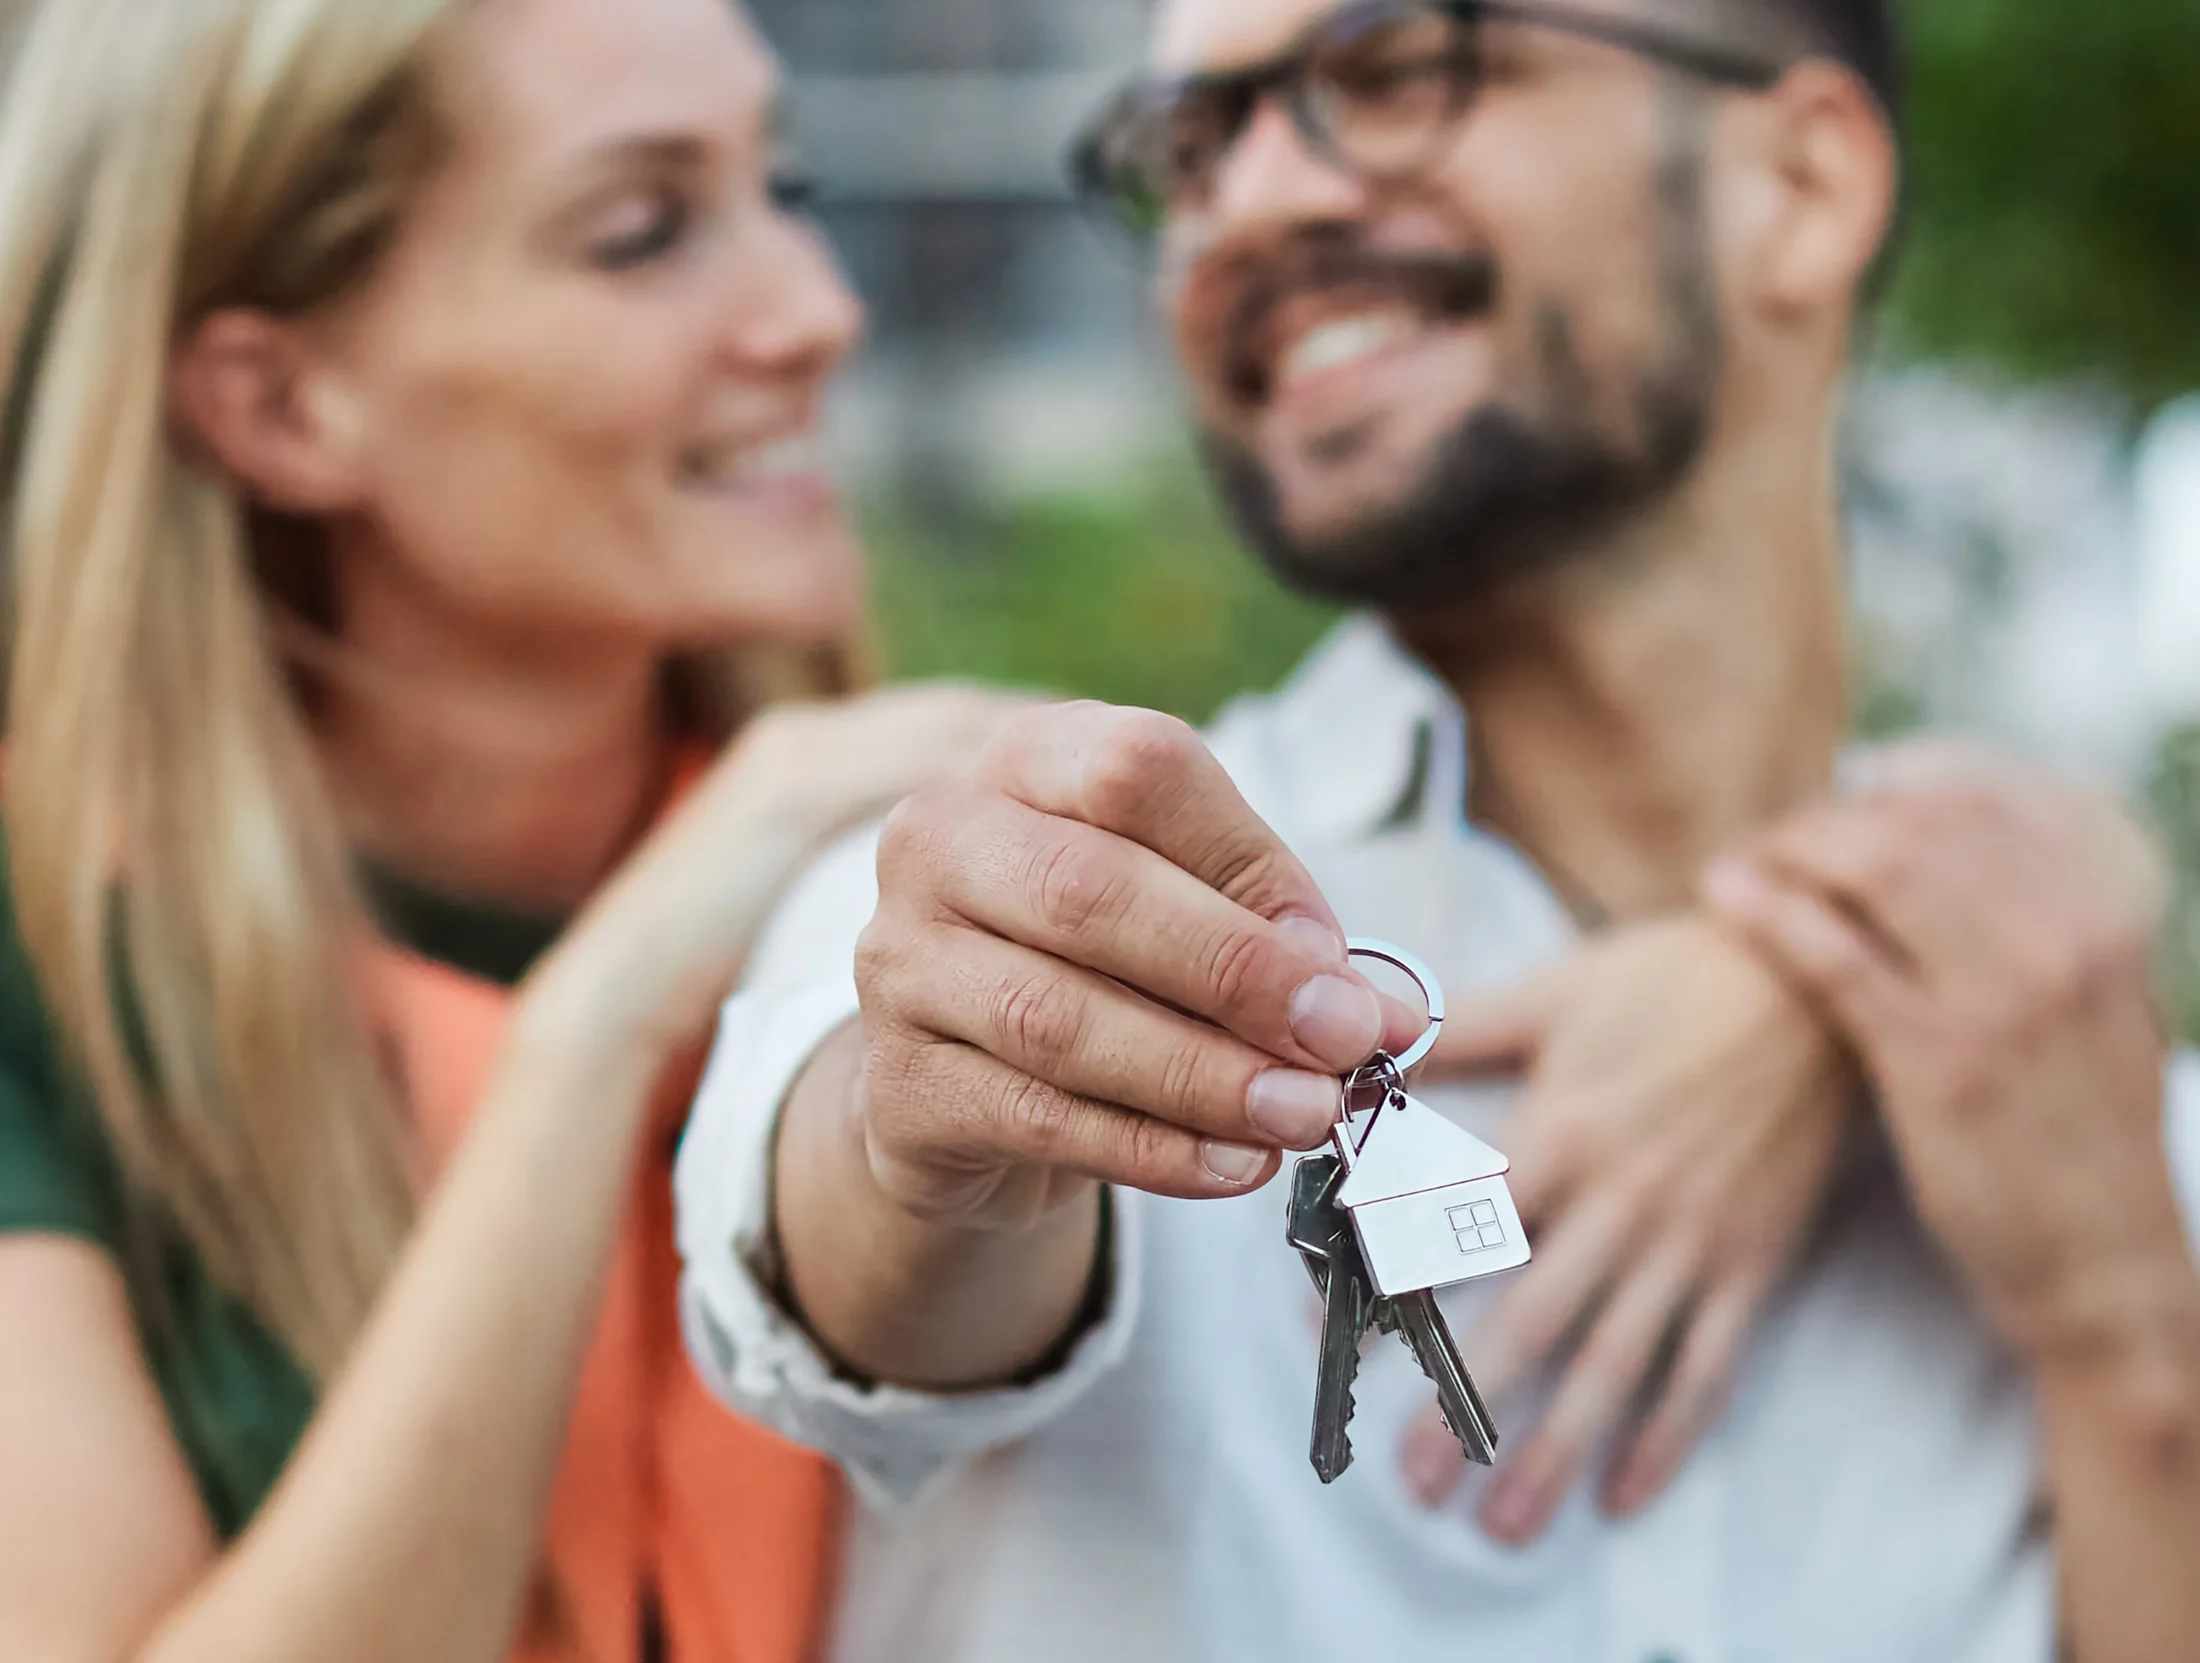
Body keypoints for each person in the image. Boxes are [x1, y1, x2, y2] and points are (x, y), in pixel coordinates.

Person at [673, 0, 2200, 1658]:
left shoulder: (2102, 1106)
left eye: (1397, 72)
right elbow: (867, 1226)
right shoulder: (1049, 904)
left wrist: (2131, 1345)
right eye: (1190, 148)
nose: (1243, 208)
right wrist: (926, 1125)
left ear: (1804, 184)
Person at [0, 0, 1020, 1658]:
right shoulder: (41, 933)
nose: (820, 313)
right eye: (640, 234)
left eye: (792, 184)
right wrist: (591, 1033)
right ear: (278, 406)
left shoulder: (899, 869)